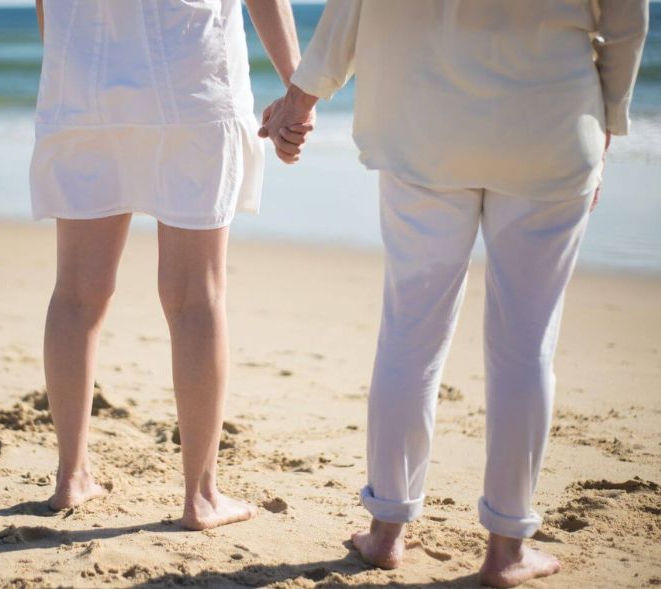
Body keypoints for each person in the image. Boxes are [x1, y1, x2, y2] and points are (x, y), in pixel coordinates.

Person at [260, 0, 648, 586]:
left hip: (422, 127)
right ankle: (507, 548)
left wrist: (303, 98)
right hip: (550, 123)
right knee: (526, 344)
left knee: (410, 334)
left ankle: (387, 531)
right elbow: (625, 25)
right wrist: (609, 124)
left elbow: (351, 9)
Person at [30, 0, 310, 531]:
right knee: (194, 298)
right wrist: (299, 88)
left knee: (77, 294)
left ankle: (71, 477)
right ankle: (201, 496)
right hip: (190, 73)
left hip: (81, 79)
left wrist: (68, 68)